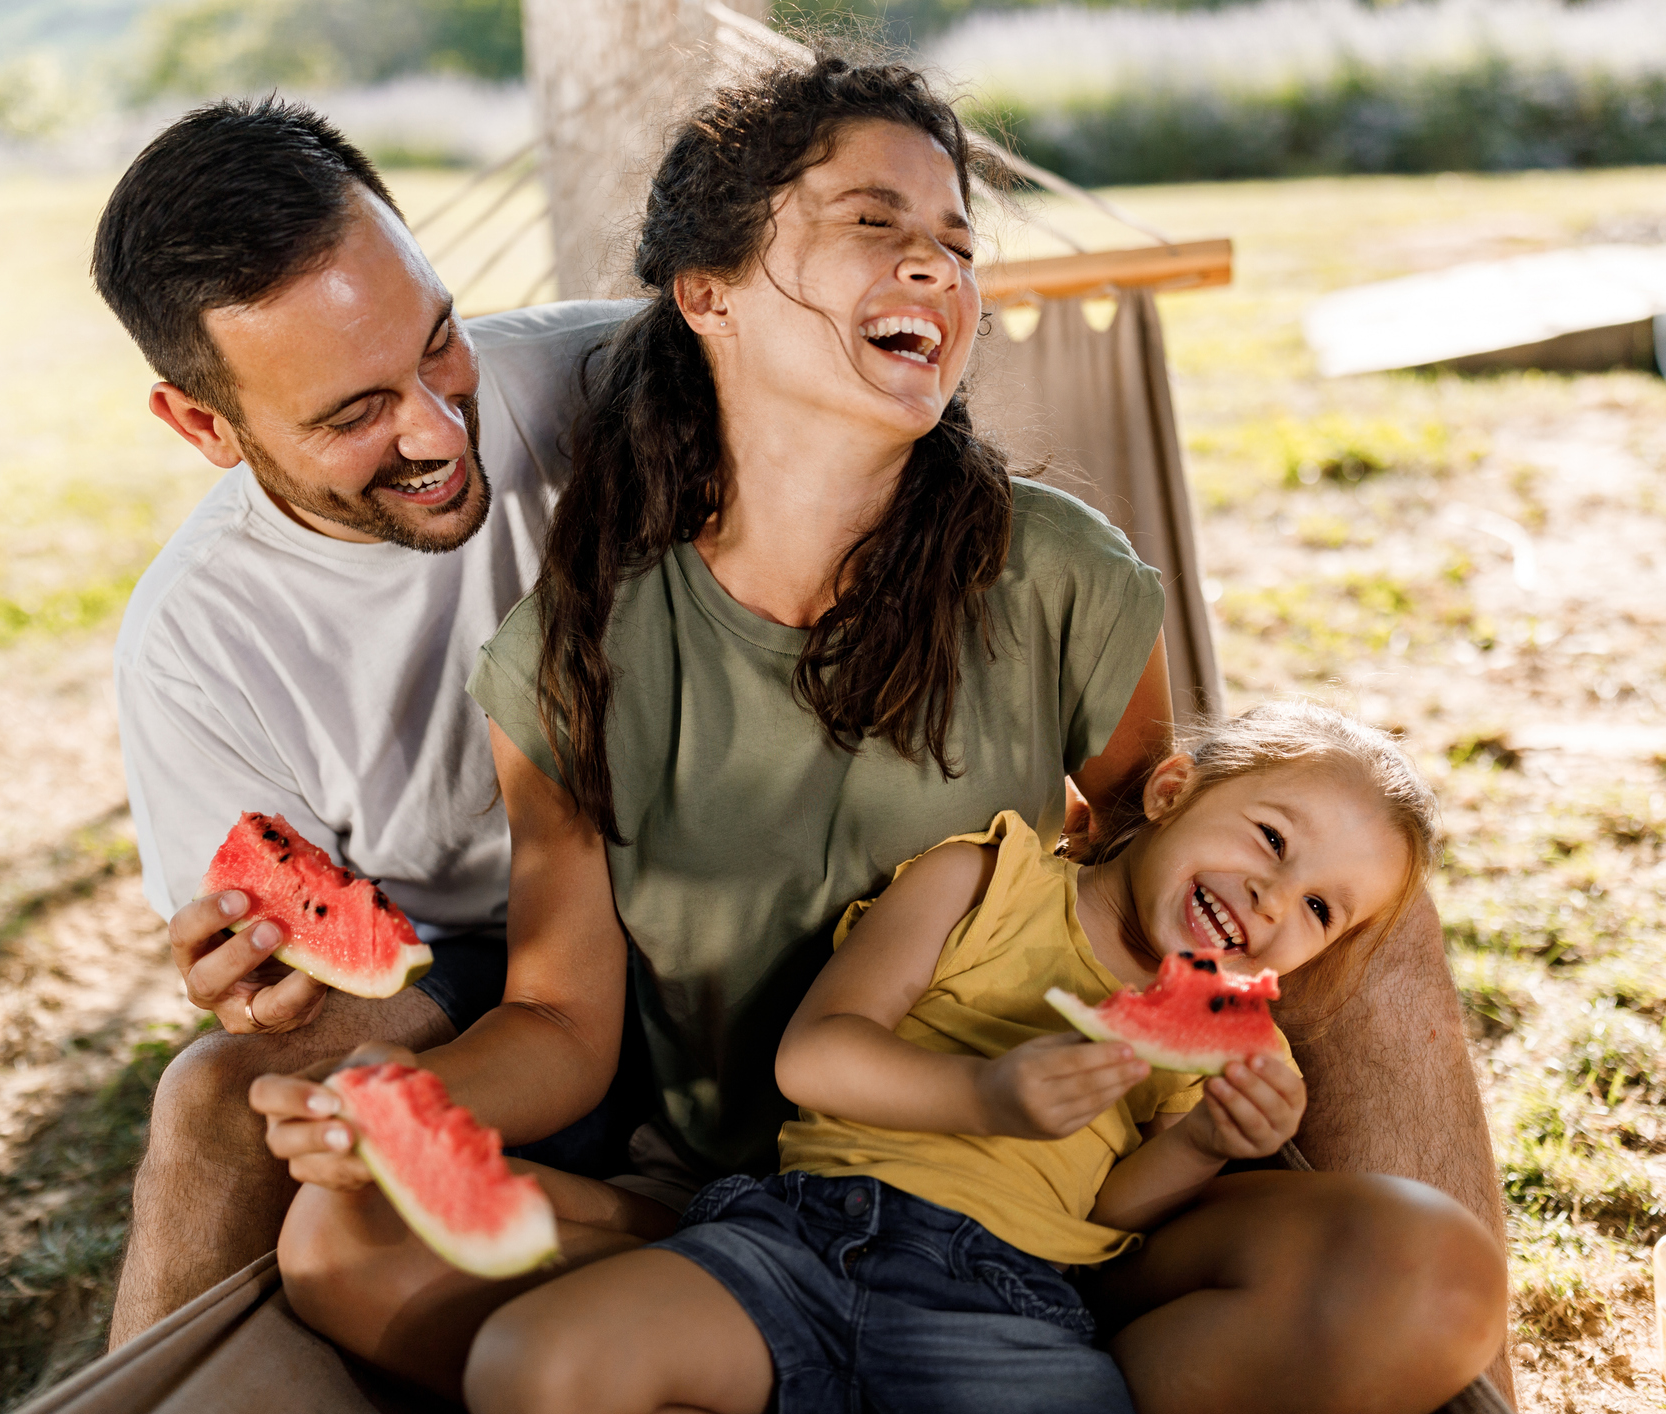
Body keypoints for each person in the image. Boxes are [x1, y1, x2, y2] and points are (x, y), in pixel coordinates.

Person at [266, 54, 1507, 1409]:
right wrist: (393, 1098)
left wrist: (1208, 1103)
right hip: (734, 1208)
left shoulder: (1061, 574)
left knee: (1430, 1274)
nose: (934, 266)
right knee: (343, 1240)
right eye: (875, 225)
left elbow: (1147, 841)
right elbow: (562, 1016)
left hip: (1067, 1214)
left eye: (957, 243)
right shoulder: (578, 654)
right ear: (710, 293)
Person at [465, 702, 1504, 1414]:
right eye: (1272, 838)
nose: (1277, 898)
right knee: (532, 1360)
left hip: (1012, 1304)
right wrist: (984, 1090)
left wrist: (1203, 1145)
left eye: (1321, 908)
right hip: (804, 1239)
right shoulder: (984, 878)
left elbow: (1110, 1214)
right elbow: (815, 1058)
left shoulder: (1239, 1044)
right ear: (1173, 789)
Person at [90, 96, 631, 1344]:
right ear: (203, 427)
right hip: (470, 980)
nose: (441, 430)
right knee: (215, 1093)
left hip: (721, 891)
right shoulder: (193, 645)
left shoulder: (618, 374)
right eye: (352, 415)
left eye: (439, 340)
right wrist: (257, 984)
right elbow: (278, 971)